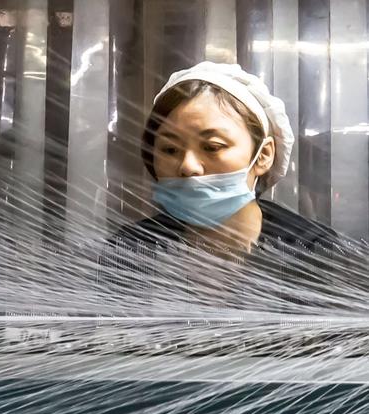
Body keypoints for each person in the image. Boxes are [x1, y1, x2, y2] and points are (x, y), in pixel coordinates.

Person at [99, 62, 349, 313]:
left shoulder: (313, 251)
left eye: (212, 146)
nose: (188, 167)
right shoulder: (131, 250)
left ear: (263, 155)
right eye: (170, 149)